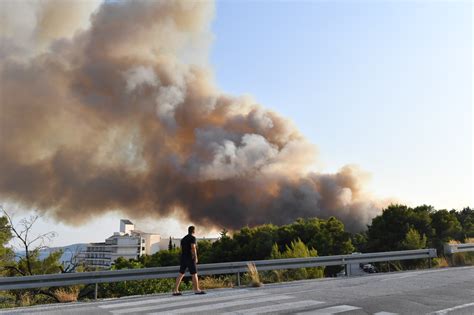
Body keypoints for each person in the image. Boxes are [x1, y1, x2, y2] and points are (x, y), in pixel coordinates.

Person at [173, 225, 206, 296]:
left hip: (183, 258)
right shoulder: (193, 238)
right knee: (194, 274)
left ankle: (175, 290)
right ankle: (196, 289)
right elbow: (193, 247)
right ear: (193, 231)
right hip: (190, 258)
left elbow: (182, 249)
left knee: (181, 273)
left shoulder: (183, 239)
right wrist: (196, 257)